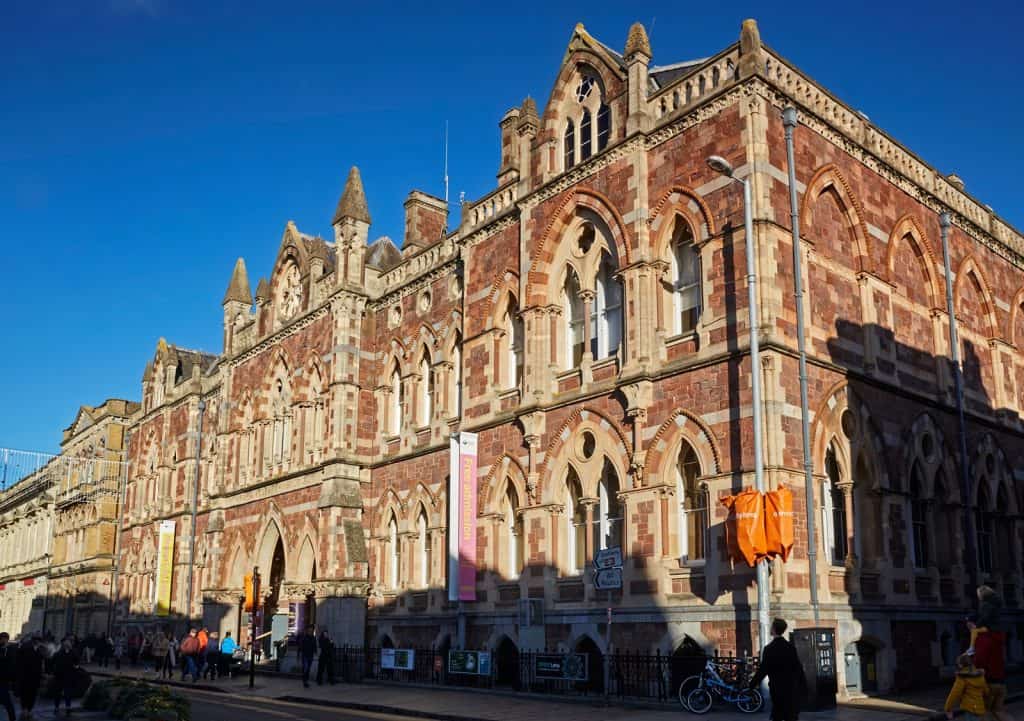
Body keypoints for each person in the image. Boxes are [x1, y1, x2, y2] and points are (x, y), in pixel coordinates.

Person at [749, 618, 806, 721]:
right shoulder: (790, 647)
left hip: (777, 688)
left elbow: (763, 670)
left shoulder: (769, 649)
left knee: (778, 714)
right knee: (791, 715)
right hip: (790, 687)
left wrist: (752, 685)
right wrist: (803, 685)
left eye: (771, 626)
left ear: (774, 629)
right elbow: (798, 667)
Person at [974, 629, 1015, 721]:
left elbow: (979, 660)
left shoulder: (983, 639)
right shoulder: (998, 638)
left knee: (985, 712)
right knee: (998, 711)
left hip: (989, 682)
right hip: (1001, 682)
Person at [944, 652, 988, 721]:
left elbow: (955, 693)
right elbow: (986, 691)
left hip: (970, 709)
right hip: (980, 708)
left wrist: (948, 708)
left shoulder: (962, 677)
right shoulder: (980, 675)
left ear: (961, 665)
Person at [16, 636, 44, 721]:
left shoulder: (39, 651)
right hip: (26, 676)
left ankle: (28, 710)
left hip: (35, 677)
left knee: (32, 694)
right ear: (34, 641)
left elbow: (42, 663)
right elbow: (20, 662)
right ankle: (25, 709)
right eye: (37, 641)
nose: (38, 643)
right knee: (25, 693)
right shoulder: (26, 649)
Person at [969, 585, 1003, 653]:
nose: (978, 596)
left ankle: (972, 648)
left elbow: (985, 617)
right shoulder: (995, 602)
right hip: (996, 627)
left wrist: (976, 625)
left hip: (989, 628)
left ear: (982, 594)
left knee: (974, 631)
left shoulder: (986, 604)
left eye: (978, 594)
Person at [51, 639, 79, 719]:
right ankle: (56, 707)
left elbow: (77, 661)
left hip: (69, 676)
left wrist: (75, 668)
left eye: (69, 643)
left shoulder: (73, 652)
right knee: (58, 692)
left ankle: (68, 707)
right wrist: (53, 671)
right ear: (63, 644)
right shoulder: (59, 652)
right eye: (66, 643)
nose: (67, 644)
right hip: (59, 675)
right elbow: (53, 661)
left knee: (68, 692)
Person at [0, 633, 17, 721]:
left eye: (4, 639)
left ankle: (12, 719)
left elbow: (11, 663)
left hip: (4, 680)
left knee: (7, 702)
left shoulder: (10, 649)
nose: (2, 641)